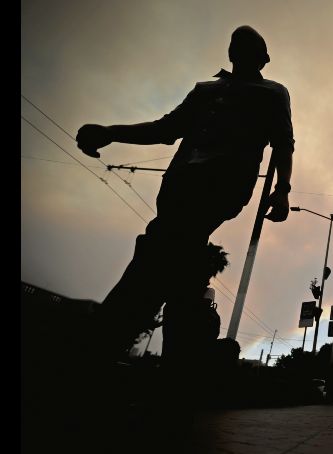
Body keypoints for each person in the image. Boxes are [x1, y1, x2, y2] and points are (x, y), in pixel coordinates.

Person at [76, 26, 295, 363]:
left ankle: (100, 346)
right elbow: (166, 129)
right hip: (180, 183)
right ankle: (186, 355)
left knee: (158, 252)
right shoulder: (205, 91)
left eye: (253, 45)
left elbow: (283, 145)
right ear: (231, 53)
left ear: (264, 58)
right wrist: (111, 133)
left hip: (223, 185)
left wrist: (282, 190)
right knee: (182, 262)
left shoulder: (272, 93)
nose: (243, 46)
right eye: (238, 43)